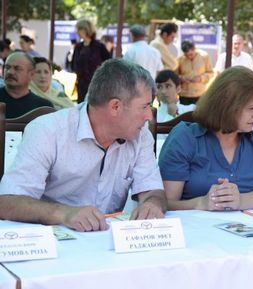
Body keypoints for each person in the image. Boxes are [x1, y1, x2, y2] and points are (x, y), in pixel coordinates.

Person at [0, 59, 167, 232]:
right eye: (145, 106)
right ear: (115, 106)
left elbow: (153, 190)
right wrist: (65, 214)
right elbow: (8, 201)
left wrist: (152, 204)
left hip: (106, 242)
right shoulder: (47, 131)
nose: (149, 115)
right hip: (51, 241)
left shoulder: (141, 136)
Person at [158, 66, 253, 211]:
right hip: (195, 230)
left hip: (250, 229)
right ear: (228, 106)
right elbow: (164, 203)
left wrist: (240, 200)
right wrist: (201, 203)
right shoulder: (185, 138)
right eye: (252, 107)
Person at [0, 51, 53, 118]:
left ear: (31, 74)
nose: (10, 72)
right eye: (7, 67)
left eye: (17, 69)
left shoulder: (43, 107)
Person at [72, 19, 111, 103]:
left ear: (85, 29)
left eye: (79, 29)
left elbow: (109, 63)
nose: (77, 32)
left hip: (96, 84)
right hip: (81, 85)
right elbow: (73, 64)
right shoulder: (78, 47)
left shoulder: (99, 46)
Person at [176, 40, 214, 105]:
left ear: (194, 49)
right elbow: (175, 75)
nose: (189, 57)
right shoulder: (180, 59)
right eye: (187, 55)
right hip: (184, 95)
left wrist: (201, 78)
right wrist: (182, 78)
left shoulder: (204, 56)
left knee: (199, 114)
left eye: (191, 54)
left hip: (200, 94)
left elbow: (211, 73)